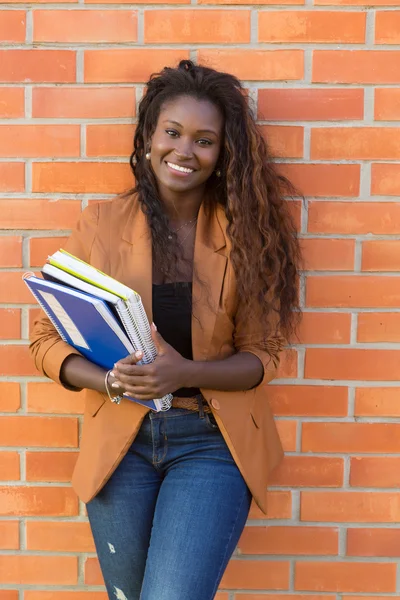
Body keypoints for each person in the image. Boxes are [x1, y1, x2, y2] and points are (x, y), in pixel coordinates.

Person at [30, 60, 301, 600]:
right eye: (172, 133)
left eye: (205, 140)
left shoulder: (245, 231)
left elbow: (264, 355)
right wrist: (110, 381)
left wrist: (186, 372)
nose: (184, 151)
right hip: (122, 442)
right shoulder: (101, 225)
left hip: (210, 441)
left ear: (224, 152)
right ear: (149, 136)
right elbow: (44, 339)